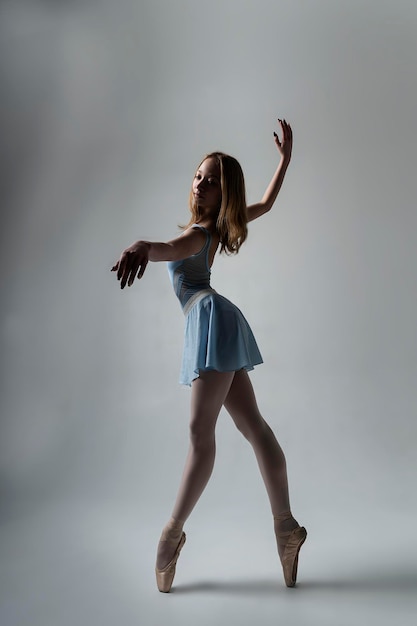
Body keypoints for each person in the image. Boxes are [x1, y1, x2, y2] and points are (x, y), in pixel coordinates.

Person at [112, 118, 306, 592]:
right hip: (217, 322)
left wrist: (144, 245)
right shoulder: (215, 229)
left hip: (212, 321)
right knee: (253, 428)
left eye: (213, 180)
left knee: (203, 435)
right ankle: (286, 529)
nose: (202, 182)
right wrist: (284, 162)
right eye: (199, 175)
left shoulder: (201, 235)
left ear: (224, 195)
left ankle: (170, 536)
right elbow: (266, 203)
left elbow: (169, 247)